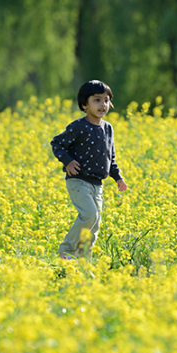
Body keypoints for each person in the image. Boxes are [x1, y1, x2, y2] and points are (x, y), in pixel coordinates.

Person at [51, 80, 128, 260]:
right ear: (84, 104)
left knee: (95, 223)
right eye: (97, 100)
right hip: (78, 180)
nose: (103, 104)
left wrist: (117, 177)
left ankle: (83, 258)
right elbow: (57, 143)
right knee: (89, 214)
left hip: (97, 184)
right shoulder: (78, 126)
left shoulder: (108, 128)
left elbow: (111, 157)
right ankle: (67, 249)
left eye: (106, 100)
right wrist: (68, 161)